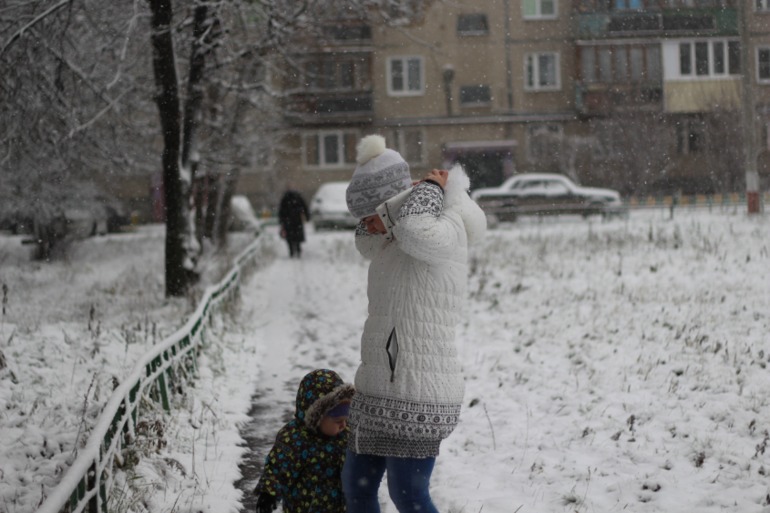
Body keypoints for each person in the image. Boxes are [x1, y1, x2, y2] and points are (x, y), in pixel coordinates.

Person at [342, 134, 487, 513]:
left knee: (407, 494)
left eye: (371, 214)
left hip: (418, 390)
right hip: (377, 386)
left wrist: (428, 190)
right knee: (356, 489)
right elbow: (365, 240)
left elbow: (415, 231)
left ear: (390, 204)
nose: (367, 225)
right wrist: (386, 214)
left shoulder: (445, 222)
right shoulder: (391, 232)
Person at [254, 368, 355, 513]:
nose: (344, 425)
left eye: (346, 419)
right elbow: (278, 468)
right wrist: (268, 493)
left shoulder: (346, 435)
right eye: (338, 421)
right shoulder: (295, 438)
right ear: (317, 417)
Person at [278, 188, 310, 258]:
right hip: (297, 220)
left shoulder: (285, 199)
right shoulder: (298, 198)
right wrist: (307, 216)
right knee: (297, 236)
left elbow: (281, 211)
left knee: (289, 237)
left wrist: (281, 221)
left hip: (287, 221)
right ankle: (298, 249)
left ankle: (291, 251)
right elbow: (304, 207)